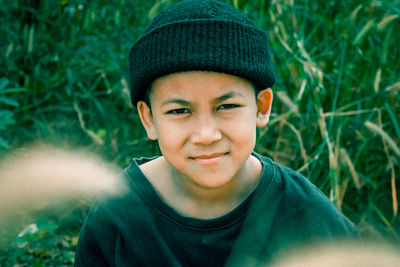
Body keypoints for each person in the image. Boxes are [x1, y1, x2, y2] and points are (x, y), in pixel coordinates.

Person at [74, 0, 359, 266]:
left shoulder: (307, 214)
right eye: (179, 111)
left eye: (226, 106)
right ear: (149, 118)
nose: (206, 135)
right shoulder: (116, 215)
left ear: (261, 107)